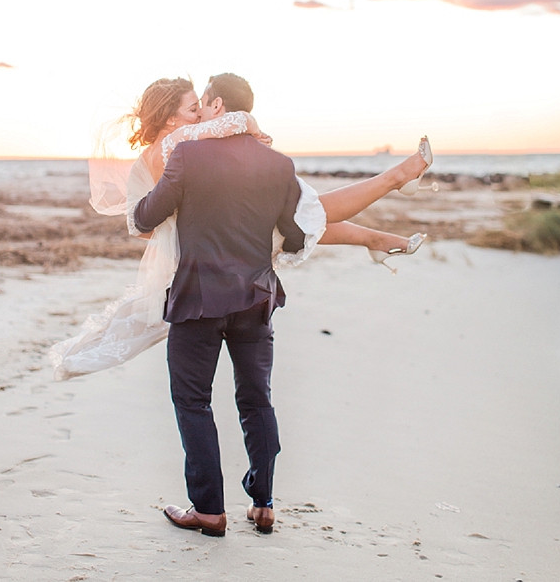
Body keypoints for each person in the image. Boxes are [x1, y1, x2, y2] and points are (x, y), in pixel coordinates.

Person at [130, 73, 432, 537]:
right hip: (256, 295)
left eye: (201, 106)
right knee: (257, 400)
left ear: (214, 105)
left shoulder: (186, 154)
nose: (199, 115)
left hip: (199, 299)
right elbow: (296, 234)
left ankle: (208, 509)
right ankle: (264, 502)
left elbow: (145, 218)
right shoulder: (274, 160)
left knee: (193, 401)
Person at [50, 76, 433, 383]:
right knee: (309, 210)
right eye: (193, 108)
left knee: (307, 212)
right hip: (210, 248)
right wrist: (246, 122)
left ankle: (378, 231)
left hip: (215, 239)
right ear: (170, 117)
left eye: (202, 106)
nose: (200, 114)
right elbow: (154, 216)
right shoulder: (171, 145)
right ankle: (395, 183)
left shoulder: (176, 143)